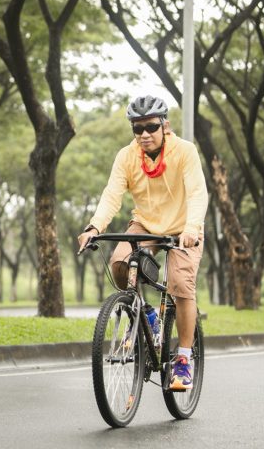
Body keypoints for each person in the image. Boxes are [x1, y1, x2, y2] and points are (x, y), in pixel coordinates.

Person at [77, 95, 208, 391]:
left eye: (150, 126)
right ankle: (148, 314)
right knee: (120, 263)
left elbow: (198, 193)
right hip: (146, 223)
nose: (144, 134)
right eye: (138, 129)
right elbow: (112, 194)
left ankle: (184, 359)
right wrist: (94, 226)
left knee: (180, 283)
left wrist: (191, 228)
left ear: (165, 125)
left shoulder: (185, 151)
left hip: (184, 228)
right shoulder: (126, 156)